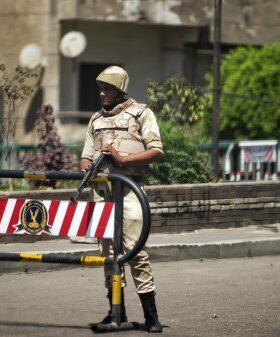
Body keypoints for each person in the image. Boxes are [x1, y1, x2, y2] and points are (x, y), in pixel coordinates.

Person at [80, 65, 164, 332]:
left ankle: (151, 317)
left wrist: (122, 158)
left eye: (107, 89)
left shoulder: (141, 114)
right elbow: (85, 155)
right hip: (102, 194)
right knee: (107, 254)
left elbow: (156, 151)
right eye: (101, 89)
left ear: (119, 91)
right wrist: (85, 167)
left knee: (135, 252)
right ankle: (116, 312)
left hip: (130, 191)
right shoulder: (95, 120)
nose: (102, 94)